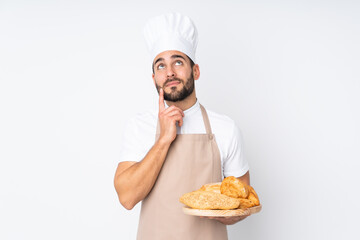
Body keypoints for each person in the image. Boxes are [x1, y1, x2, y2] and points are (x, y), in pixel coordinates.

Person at [114, 12, 250, 240]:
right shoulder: (140, 126)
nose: (170, 73)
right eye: (160, 66)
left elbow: (244, 199)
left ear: (195, 70)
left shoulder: (225, 128)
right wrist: (163, 140)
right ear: (154, 78)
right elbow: (127, 198)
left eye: (178, 62)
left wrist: (226, 212)